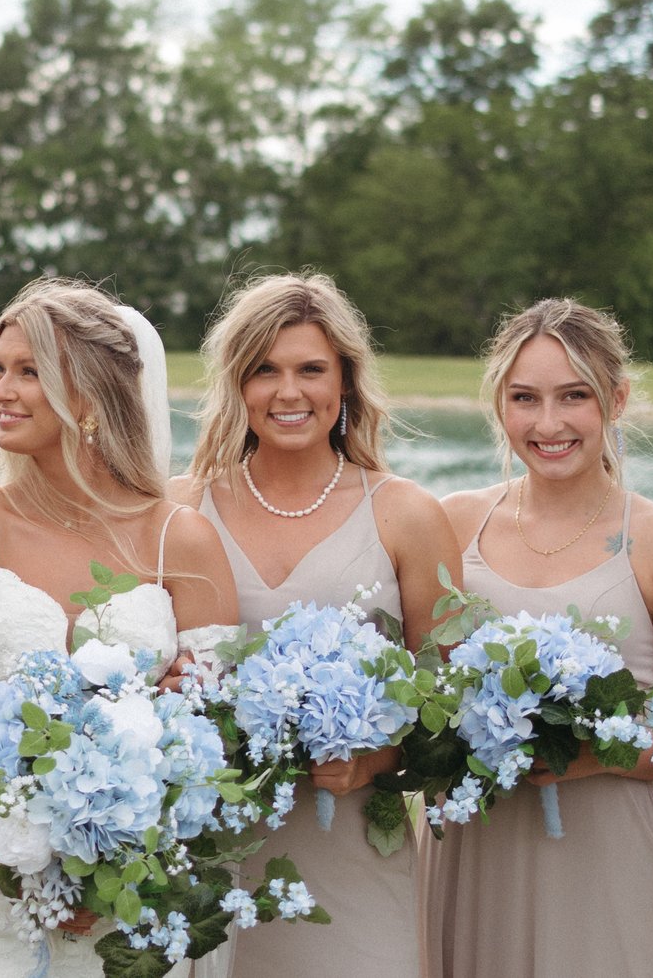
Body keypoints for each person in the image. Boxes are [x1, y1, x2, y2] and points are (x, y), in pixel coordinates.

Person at [0, 277, 239, 978]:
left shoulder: (180, 539)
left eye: (30, 371)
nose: (3, 388)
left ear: (88, 395)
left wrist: (109, 871)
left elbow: (212, 734)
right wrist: (26, 868)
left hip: (132, 899)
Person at [419, 298, 653, 977]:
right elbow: (422, 687)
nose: (548, 422)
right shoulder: (449, 523)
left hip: (607, 852)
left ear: (615, 399)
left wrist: (592, 752)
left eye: (574, 396)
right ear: (499, 404)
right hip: (475, 846)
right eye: (524, 398)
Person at [169, 273, 460, 975]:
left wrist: (376, 760)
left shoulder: (407, 515)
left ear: (347, 382)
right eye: (264, 370)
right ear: (237, 385)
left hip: (356, 850)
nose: (288, 392)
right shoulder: (179, 508)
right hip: (215, 857)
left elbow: (453, 708)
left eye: (311, 369)